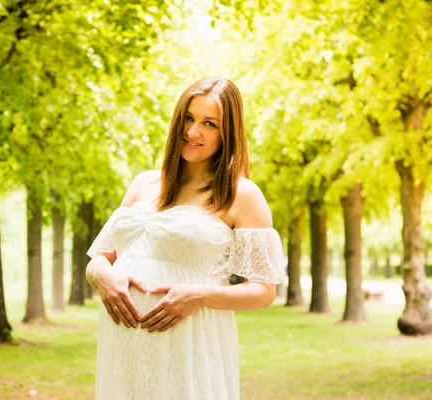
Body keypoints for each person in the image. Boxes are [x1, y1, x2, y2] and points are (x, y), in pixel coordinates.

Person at [85, 76, 285, 400]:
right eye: (189, 118)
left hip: (189, 343)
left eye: (210, 124)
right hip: (123, 342)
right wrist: (103, 277)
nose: (193, 132)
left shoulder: (241, 194)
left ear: (228, 133)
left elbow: (262, 291)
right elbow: (100, 258)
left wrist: (199, 295)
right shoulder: (143, 183)